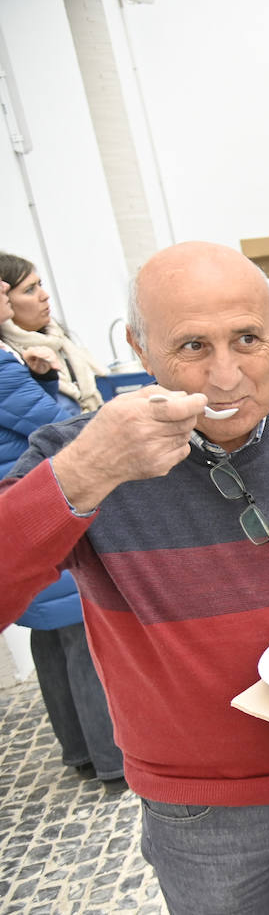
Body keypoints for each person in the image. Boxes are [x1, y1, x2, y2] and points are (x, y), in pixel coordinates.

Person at [0, 241, 269, 914]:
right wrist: (87, 472)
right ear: (139, 348)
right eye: (193, 346)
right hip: (202, 810)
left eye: (247, 339)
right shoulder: (82, 456)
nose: (227, 377)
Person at [0, 272, 123, 794]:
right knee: (80, 634)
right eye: (18, 288)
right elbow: (60, 428)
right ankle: (110, 759)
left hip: (24, 493)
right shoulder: (3, 364)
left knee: (51, 639)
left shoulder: (15, 357)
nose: (18, 298)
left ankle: (78, 749)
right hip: (38, 498)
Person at [0, 254, 106, 414]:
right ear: (5, 299)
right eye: (29, 290)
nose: (44, 295)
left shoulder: (59, 340)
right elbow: (47, 421)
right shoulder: (9, 359)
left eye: (40, 285)